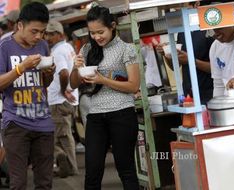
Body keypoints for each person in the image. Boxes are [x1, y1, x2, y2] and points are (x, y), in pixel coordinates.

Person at [70, 5, 140, 190]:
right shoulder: (86, 50)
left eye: (100, 32)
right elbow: (73, 83)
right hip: (95, 116)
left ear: (113, 26)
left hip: (122, 113)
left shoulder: (127, 49)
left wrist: (103, 80)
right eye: (92, 33)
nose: (96, 37)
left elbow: (134, 86)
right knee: (92, 172)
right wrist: (76, 67)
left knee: (126, 169)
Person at [0, 2, 55, 189]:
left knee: (45, 183)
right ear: (20, 25)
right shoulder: (4, 47)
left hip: (43, 121)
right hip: (16, 122)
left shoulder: (43, 46)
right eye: (34, 31)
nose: (39, 36)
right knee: (18, 183)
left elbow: (44, 84)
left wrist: (48, 75)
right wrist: (21, 68)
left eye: (43, 31)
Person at [157, 1, 214, 104]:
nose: (177, 10)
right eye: (175, 8)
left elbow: (217, 68)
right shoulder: (182, 32)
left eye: (181, 6)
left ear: (196, 4)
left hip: (209, 94)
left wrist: (191, 61)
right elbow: (175, 66)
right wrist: (167, 53)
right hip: (188, 95)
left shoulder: (209, 29)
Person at [44, 20, 79, 178]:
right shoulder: (68, 47)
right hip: (68, 98)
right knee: (63, 135)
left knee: (59, 135)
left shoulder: (58, 51)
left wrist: (64, 90)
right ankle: (65, 165)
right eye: (47, 34)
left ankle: (68, 165)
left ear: (60, 35)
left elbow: (64, 73)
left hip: (59, 100)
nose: (48, 37)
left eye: (52, 34)